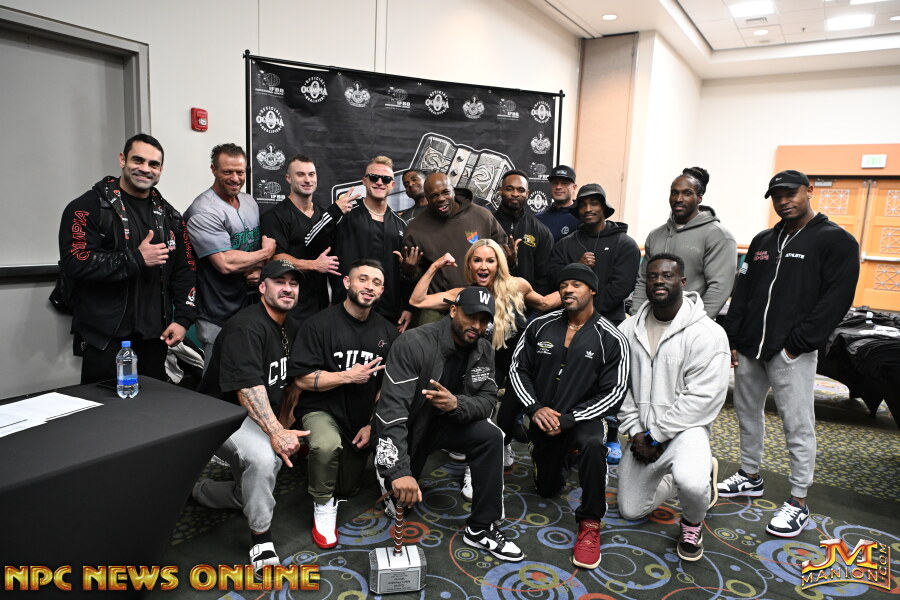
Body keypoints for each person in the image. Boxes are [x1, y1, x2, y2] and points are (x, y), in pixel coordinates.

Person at [718, 169, 860, 538]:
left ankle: (798, 499)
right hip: (751, 347)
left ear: (809, 190)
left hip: (791, 352)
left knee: (797, 424)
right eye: (777, 196)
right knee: (747, 413)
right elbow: (742, 291)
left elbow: (836, 299)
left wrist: (799, 343)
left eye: (790, 193)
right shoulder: (763, 241)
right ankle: (750, 475)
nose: (784, 201)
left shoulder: (835, 241)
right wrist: (733, 338)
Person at [373, 286, 525, 563]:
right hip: (410, 428)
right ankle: (385, 465)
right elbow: (391, 413)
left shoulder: (483, 350)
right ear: (453, 310)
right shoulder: (413, 343)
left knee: (491, 435)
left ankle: (481, 527)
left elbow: (488, 402)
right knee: (400, 502)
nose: (477, 325)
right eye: (471, 316)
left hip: (448, 424)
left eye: (484, 320)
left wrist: (457, 404)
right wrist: (398, 471)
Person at [409, 239, 561, 485]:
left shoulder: (518, 286)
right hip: (486, 364)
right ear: (469, 264)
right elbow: (417, 301)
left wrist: (577, 285)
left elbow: (544, 303)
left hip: (518, 364)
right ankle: (474, 465)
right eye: (477, 260)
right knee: (483, 412)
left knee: (508, 417)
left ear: (499, 264)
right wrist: (435, 266)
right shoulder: (463, 295)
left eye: (490, 260)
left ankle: (504, 443)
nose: (483, 266)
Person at [193, 260, 309, 578]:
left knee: (252, 485)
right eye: (279, 282)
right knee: (264, 458)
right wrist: (276, 432)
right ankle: (261, 539)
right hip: (221, 415)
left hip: (254, 414)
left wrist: (285, 422)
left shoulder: (291, 325)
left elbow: (292, 382)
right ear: (262, 287)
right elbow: (248, 389)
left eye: (293, 283)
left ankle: (201, 492)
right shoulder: (245, 327)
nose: (288, 289)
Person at [508, 263, 629, 569]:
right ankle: (564, 457)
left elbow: (614, 392)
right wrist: (535, 408)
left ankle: (590, 522)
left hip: (581, 420)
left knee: (592, 445)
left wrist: (569, 419)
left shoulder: (611, 338)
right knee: (546, 489)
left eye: (576, 284)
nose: (567, 290)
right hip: (543, 418)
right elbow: (517, 370)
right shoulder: (539, 326)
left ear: (593, 290)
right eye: (563, 285)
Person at [617, 253, 730, 561]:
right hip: (643, 431)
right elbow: (620, 386)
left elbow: (703, 398)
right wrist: (636, 431)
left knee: (691, 483)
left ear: (682, 281)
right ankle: (686, 477)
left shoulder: (707, 333)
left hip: (686, 431)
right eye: (652, 276)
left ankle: (692, 521)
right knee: (631, 510)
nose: (659, 281)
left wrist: (657, 436)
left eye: (667, 276)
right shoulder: (628, 329)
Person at [58, 133, 197, 384]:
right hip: (105, 338)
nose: (145, 169)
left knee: (154, 405)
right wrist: (136, 258)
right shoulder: (87, 207)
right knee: (104, 406)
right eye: (138, 160)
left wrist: (183, 320)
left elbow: (185, 270)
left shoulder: (171, 216)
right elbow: (75, 262)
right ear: (122, 159)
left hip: (154, 337)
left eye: (153, 164)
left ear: (161, 169)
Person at [288, 259, 398, 549]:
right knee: (326, 446)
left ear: (381, 291)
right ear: (347, 282)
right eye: (363, 279)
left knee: (347, 487)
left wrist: (371, 424)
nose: (369, 286)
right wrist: (347, 376)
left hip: (359, 418)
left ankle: (320, 465)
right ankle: (323, 507)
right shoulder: (318, 324)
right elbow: (301, 379)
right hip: (321, 408)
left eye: (376, 282)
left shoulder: (387, 332)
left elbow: (386, 388)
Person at [547, 183, 640, 463]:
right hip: (569, 323)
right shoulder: (567, 243)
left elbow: (621, 287)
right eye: (583, 204)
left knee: (609, 382)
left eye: (594, 203)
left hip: (609, 324)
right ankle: (570, 432)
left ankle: (612, 436)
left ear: (604, 207)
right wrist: (576, 266)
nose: (588, 209)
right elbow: (553, 276)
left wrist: (589, 316)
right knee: (570, 379)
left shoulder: (624, 243)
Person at [185, 143, 275, 363]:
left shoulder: (249, 201)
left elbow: (251, 249)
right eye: (227, 172)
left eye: (240, 172)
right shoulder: (203, 211)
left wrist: (260, 270)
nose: (235, 178)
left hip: (250, 305)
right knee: (217, 376)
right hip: (217, 311)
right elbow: (225, 262)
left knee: (250, 370)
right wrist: (266, 254)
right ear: (214, 170)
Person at [304, 155, 412, 333]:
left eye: (386, 179)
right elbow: (310, 243)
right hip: (346, 309)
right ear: (364, 181)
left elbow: (405, 273)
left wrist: (407, 306)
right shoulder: (344, 213)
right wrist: (334, 211)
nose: (379, 182)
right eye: (374, 177)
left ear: (392, 184)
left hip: (387, 314)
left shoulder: (400, 225)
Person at [629, 167, 737, 319]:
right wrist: (636, 317)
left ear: (699, 198)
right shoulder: (655, 235)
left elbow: (719, 288)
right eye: (674, 192)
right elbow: (643, 280)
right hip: (651, 322)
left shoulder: (719, 236)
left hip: (691, 324)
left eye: (687, 193)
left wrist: (695, 324)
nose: (679, 199)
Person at [260, 155, 350, 323]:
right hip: (290, 304)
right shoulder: (275, 216)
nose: (307, 180)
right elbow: (276, 258)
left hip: (321, 304)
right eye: (300, 174)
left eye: (311, 174)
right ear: (288, 178)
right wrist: (313, 265)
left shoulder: (324, 215)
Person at [401, 173, 509, 294]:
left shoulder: (481, 215)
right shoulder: (415, 229)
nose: (441, 198)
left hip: (483, 298)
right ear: (427, 198)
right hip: (439, 301)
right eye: (434, 196)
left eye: (445, 192)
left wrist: (510, 260)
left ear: (453, 190)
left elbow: (502, 252)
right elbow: (415, 279)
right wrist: (409, 271)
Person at [491, 169, 555, 295]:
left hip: (526, 303)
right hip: (491, 299)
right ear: (500, 191)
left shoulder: (541, 231)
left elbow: (544, 276)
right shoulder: (488, 223)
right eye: (509, 189)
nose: (515, 194)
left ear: (527, 193)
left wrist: (534, 304)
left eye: (521, 190)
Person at [537, 165, 581, 242]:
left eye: (564, 183)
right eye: (555, 183)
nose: (558, 187)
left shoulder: (581, 218)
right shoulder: (538, 219)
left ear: (574, 187)